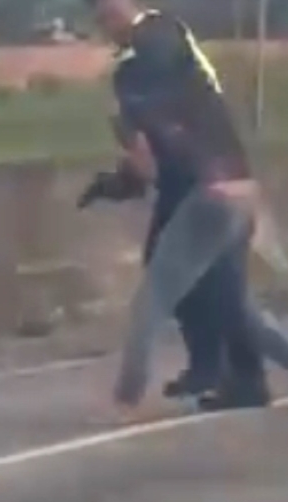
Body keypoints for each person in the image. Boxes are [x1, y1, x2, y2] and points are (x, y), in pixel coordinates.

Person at [85, 0, 288, 412]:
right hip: (239, 186)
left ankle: (125, 396)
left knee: (152, 300)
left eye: (113, 15)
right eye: (105, 18)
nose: (111, 25)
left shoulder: (134, 69)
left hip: (208, 192)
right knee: (232, 301)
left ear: (132, 8)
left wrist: (121, 166)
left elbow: (145, 158)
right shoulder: (176, 43)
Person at [78, 155, 223, 398]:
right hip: (194, 196)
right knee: (192, 293)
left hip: (199, 196)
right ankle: (207, 367)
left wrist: (123, 180)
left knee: (204, 295)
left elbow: (147, 160)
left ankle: (131, 393)